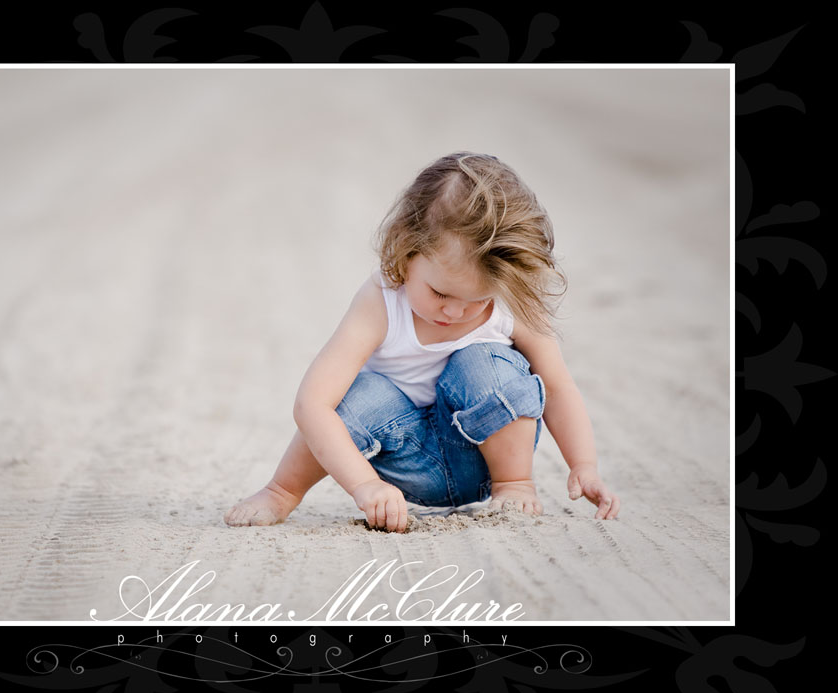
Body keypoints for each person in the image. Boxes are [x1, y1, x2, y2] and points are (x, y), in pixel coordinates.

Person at [224, 152, 620, 533]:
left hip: (487, 458)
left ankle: (514, 485)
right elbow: (312, 403)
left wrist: (583, 463)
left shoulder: (510, 299)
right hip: (409, 462)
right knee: (354, 396)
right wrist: (367, 486)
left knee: (486, 361)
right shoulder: (382, 300)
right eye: (440, 294)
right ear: (407, 250)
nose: (455, 313)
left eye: (477, 300)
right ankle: (282, 491)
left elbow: (555, 385)